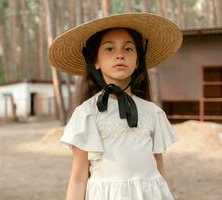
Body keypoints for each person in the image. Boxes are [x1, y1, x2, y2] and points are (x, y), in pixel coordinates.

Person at [48, 13, 182, 200]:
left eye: (128, 49)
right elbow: (78, 178)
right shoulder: (87, 113)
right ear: (95, 61)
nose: (120, 54)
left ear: (137, 62)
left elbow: (158, 171)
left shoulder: (153, 113)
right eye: (109, 49)